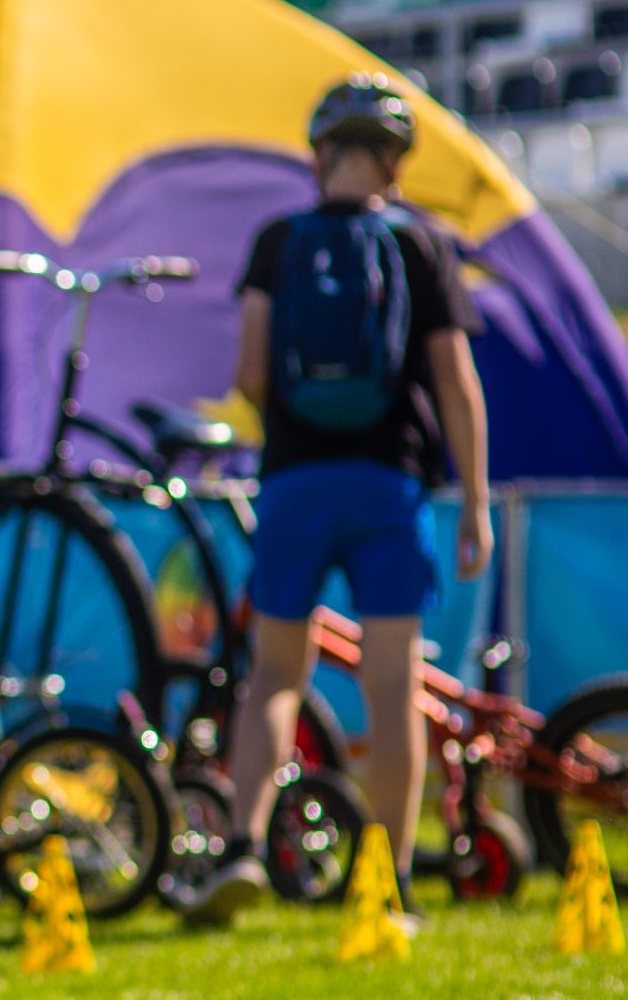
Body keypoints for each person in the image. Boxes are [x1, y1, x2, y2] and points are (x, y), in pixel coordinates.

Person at [177, 74, 490, 927]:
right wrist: (475, 500)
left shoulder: (279, 242)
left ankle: (243, 847)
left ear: (320, 155)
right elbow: (456, 383)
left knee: (276, 673)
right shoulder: (423, 244)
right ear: (396, 162)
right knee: (392, 686)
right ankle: (387, 881)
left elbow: (249, 373)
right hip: (391, 482)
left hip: (293, 482)